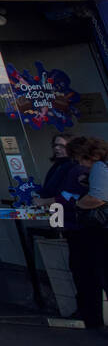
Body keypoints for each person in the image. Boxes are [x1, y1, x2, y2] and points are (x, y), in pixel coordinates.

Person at [72, 137, 108, 332]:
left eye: (80, 158)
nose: (79, 164)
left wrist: (77, 204)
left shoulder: (100, 168)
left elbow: (97, 198)